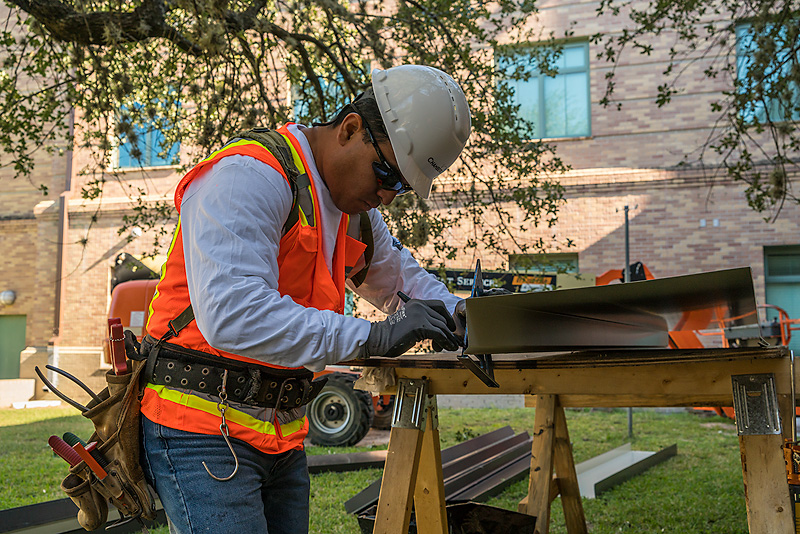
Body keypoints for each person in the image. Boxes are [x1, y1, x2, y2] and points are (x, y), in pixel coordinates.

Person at [138, 64, 472, 534]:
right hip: (201, 427)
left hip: (281, 435)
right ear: (350, 129)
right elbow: (233, 315)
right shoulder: (249, 175)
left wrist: (463, 315)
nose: (387, 195)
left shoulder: (351, 209)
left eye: (400, 187)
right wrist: (374, 337)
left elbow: (403, 281)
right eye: (385, 174)